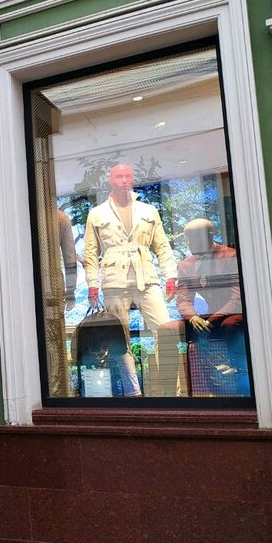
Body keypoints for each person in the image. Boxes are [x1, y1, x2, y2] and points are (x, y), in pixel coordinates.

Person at [83, 164, 177, 396]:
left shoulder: (148, 211)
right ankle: (132, 392)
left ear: (133, 179)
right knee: (119, 339)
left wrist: (170, 275)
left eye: (128, 176)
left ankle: (170, 391)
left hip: (147, 277)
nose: (124, 180)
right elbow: (91, 253)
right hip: (114, 281)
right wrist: (92, 284)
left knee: (166, 330)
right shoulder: (97, 213)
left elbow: (162, 246)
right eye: (119, 176)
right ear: (110, 180)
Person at [173, 218, 247, 393]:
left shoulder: (230, 257)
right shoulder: (186, 265)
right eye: (187, 238)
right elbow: (183, 299)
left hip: (231, 313)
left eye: (194, 237)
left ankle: (240, 372)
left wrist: (211, 319)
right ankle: (188, 387)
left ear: (210, 236)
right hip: (208, 316)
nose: (188, 243)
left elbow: (238, 297)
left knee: (231, 324)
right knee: (174, 330)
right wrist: (193, 317)